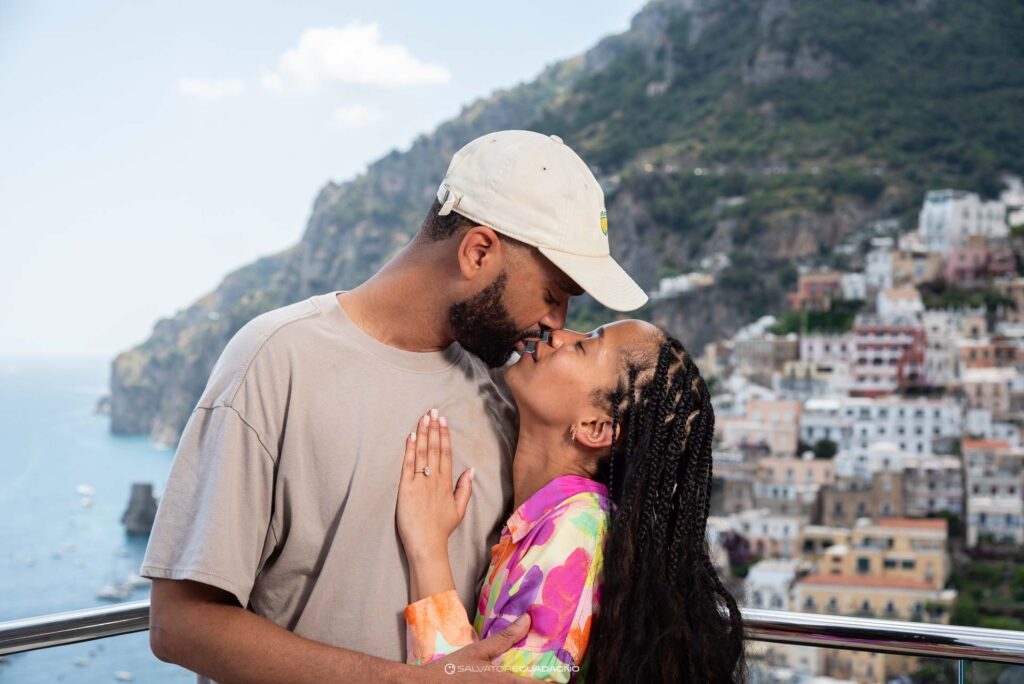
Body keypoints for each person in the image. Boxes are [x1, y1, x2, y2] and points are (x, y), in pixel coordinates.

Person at [141, 130, 648, 683]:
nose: (557, 323)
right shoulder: (276, 360)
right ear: (477, 252)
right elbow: (178, 624)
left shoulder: (509, 400)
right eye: (553, 294)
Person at [396, 321, 746, 683]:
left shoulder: (573, 538)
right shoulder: (560, 521)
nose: (559, 335)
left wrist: (427, 547)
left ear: (594, 427)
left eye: (584, 347)